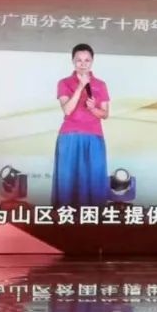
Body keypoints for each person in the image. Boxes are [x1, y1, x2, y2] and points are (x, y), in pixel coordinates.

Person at [52, 43, 110, 206]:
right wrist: (80, 86)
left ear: (92, 61)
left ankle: (93, 218)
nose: (83, 64)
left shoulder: (100, 84)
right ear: (73, 61)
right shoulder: (64, 83)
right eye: (79, 60)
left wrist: (93, 108)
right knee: (68, 180)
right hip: (69, 136)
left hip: (94, 137)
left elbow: (105, 114)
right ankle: (66, 217)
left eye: (87, 60)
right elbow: (67, 110)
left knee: (94, 179)